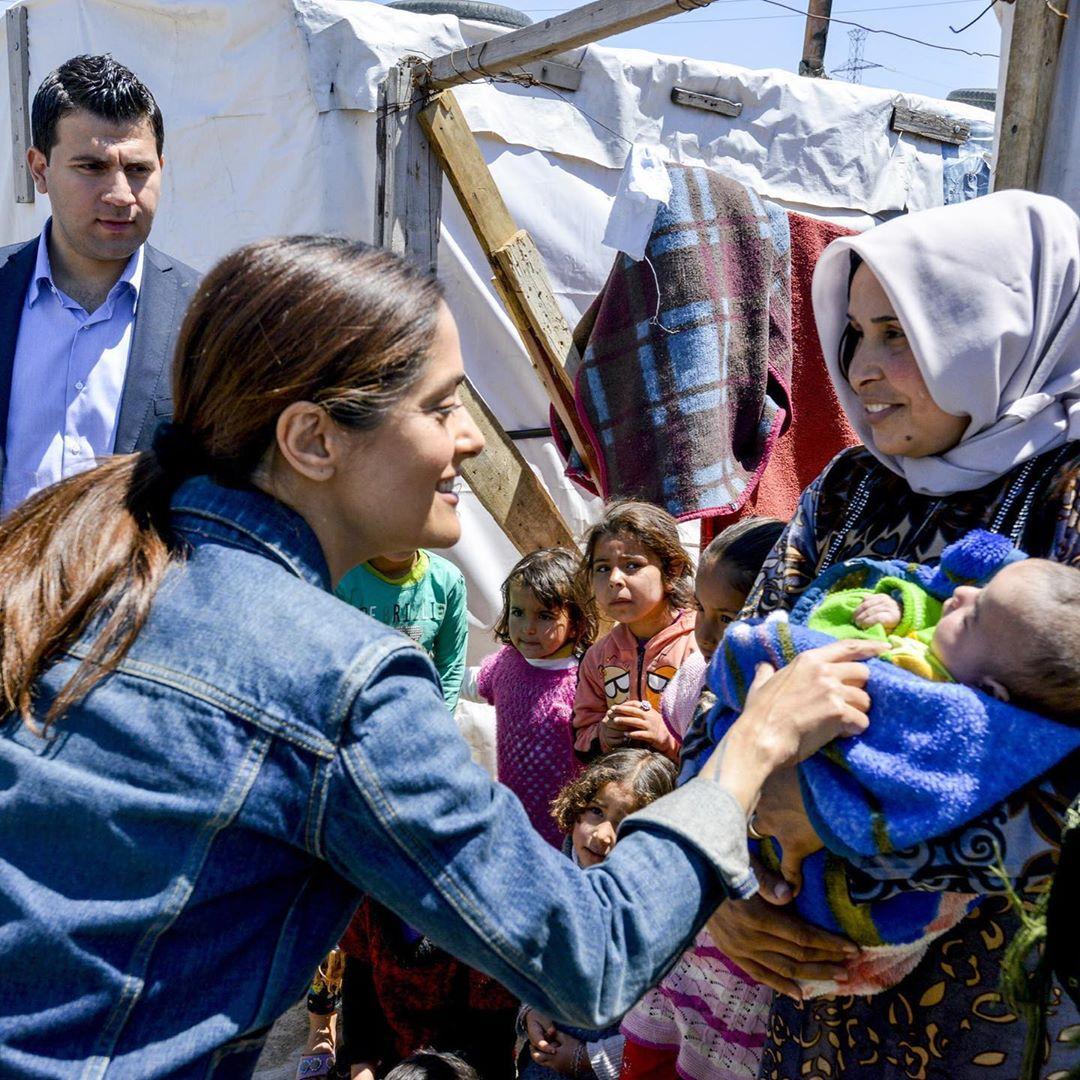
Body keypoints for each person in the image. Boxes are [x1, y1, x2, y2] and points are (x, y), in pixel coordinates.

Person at [0, 235, 883, 1078]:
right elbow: (589, 959)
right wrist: (751, 749)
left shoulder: (94, 566)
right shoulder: (338, 678)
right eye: (441, 406)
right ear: (313, 441)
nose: (470, 437)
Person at [690, 188, 1080, 1075]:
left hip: (998, 1019)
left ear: (995, 325)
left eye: (899, 332)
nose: (862, 368)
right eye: (854, 334)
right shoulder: (850, 488)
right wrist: (712, 869)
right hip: (809, 1011)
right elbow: (732, 676)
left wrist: (832, 815)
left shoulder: (1068, 497)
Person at [618, 517, 785, 1080]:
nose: (708, 634)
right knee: (662, 1041)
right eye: (702, 613)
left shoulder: (788, 700)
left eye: (731, 617)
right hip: (690, 908)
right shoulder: (695, 677)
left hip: (747, 919)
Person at [0, 54, 199, 516]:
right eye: (91, 167)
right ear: (39, 169)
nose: (120, 194)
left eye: (138, 169)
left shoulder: (207, 315)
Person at [519, 750, 678, 1080]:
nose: (604, 835)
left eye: (627, 825)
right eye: (596, 811)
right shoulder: (557, 876)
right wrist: (531, 1012)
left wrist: (586, 1057)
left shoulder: (660, 922)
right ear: (576, 808)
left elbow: (665, 1030)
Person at [461, 547, 596, 846]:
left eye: (545, 615)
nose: (528, 627)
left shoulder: (584, 679)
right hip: (514, 816)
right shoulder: (507, 662)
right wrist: (426, 669)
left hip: (564, 827)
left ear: (577, 621)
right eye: (518, 612)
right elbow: (470, 682)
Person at [572, 500, 698, 761]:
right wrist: (603, 734)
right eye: (603, 568)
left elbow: (724, 738)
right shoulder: (599, 657)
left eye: (632, 565)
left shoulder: (700, 646)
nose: (614, 579)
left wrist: (666, 736)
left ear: (672, 570)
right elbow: (583, 732)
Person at [337, 549, 469, 712]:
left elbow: (450, 665)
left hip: (420, 713)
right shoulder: (341, 579)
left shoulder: (447, 579)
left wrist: (442, 718)